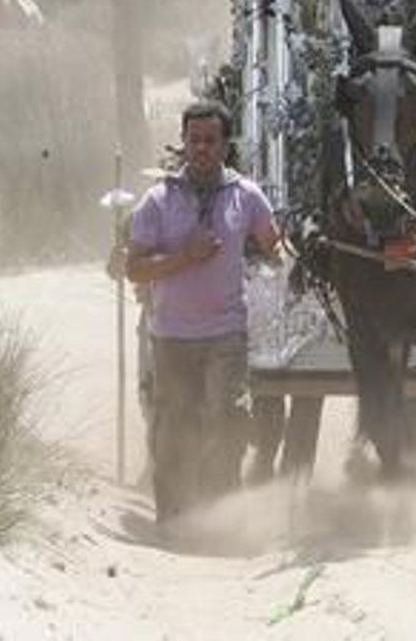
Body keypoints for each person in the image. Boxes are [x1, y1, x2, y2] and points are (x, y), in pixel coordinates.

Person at [125, 100, 281, 539]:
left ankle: (221, 518)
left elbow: (274, 244)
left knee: (229, 420)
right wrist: (183, 257)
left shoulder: (246, 195)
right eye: (194, 140)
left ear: (226, 145)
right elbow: (135, 269)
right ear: (184, 143)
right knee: (172, 426)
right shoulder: (157, 201)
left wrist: (289, 259)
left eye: (211, 140)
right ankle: (173, 520)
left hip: (226, 334)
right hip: (170, 335)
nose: (202, 149)